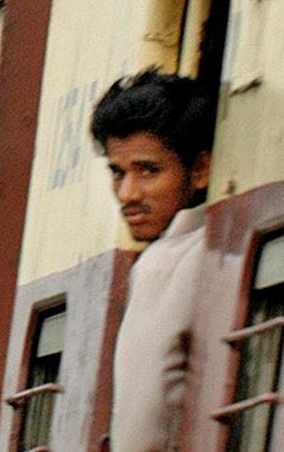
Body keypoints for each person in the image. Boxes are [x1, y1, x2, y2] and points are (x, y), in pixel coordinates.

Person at [90, 69, 216, 452]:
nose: (127, 194)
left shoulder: (165, 264)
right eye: (118, 173)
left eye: (148, 171)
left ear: (200, 170)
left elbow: (141, 427)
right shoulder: (208, 247)